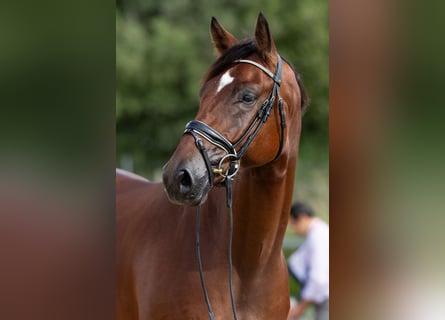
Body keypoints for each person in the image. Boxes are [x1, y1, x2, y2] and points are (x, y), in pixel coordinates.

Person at [287, 202, 329, 320]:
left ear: (303, 218)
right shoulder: (320, 232)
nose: (293, 229)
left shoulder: (317, 237)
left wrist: (300, 308)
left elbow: (318, 278)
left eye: (293, 224)